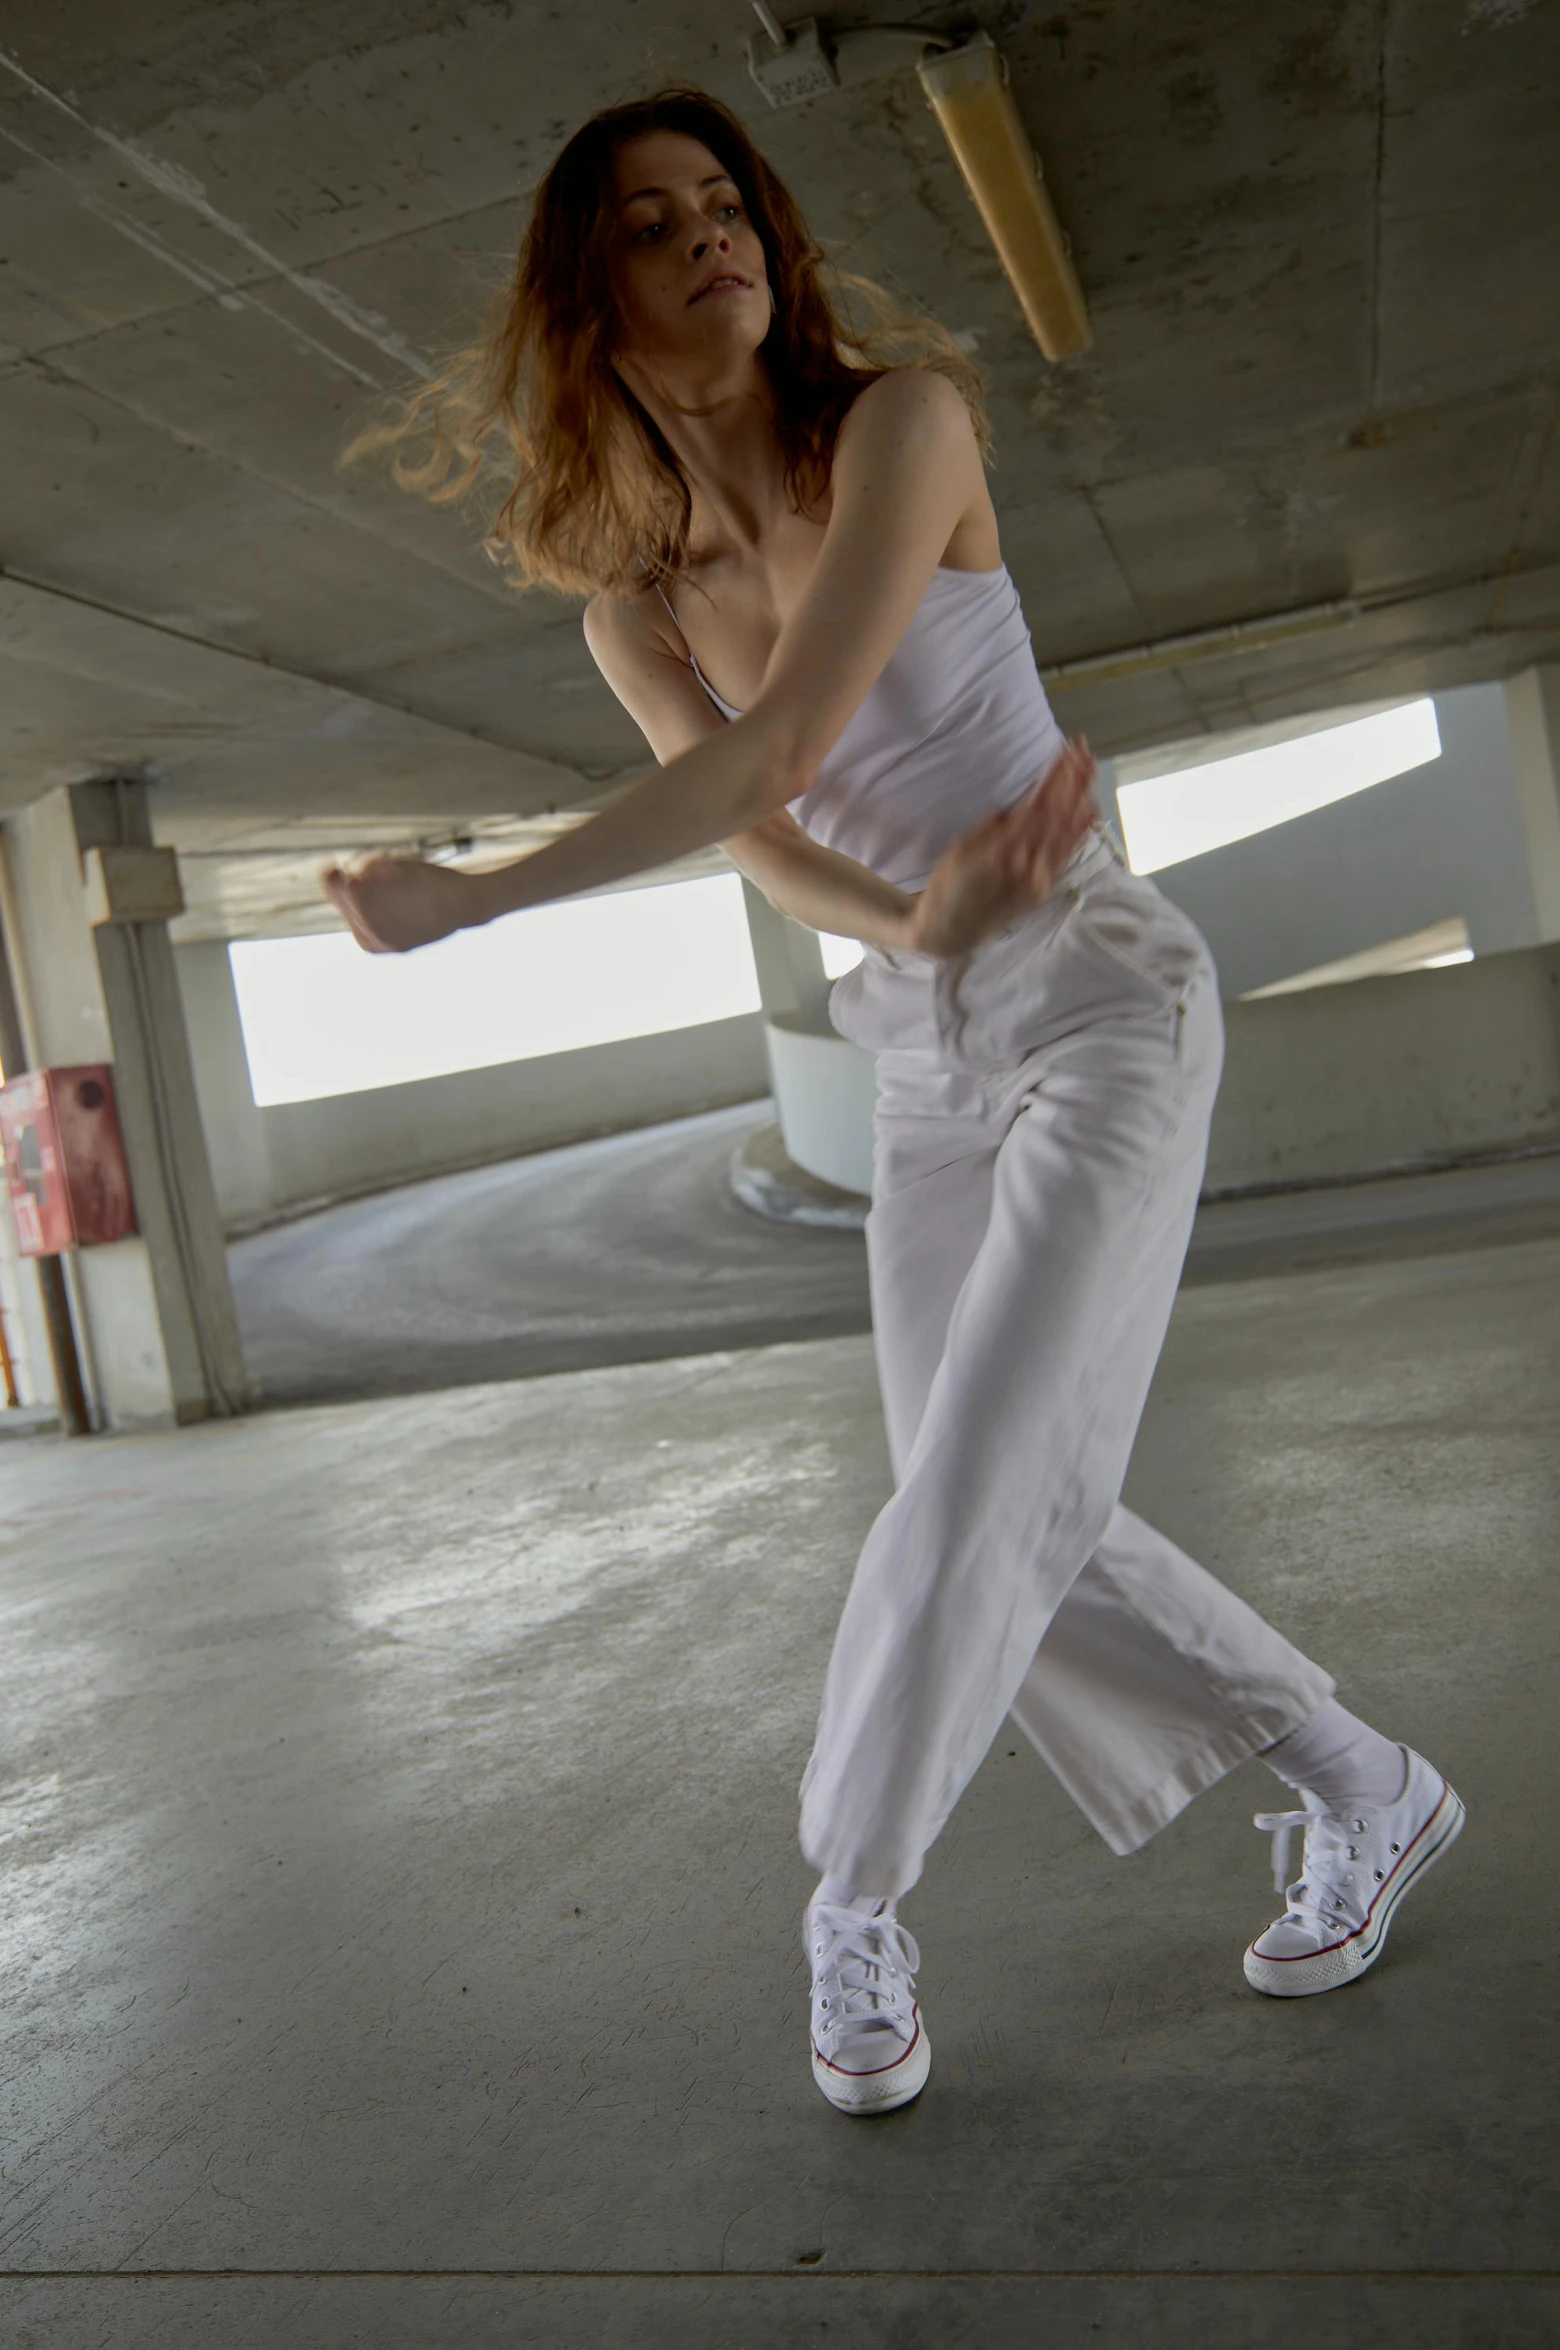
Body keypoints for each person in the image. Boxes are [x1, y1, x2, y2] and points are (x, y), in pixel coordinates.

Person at [325, 88, 1465, 2117]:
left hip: (1100, 988)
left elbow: (768, 755)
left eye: (727, 204)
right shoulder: (634, 605)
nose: (714, 239)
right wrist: (916, 919)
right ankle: (1362, 1781)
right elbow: (779, 848)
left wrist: (479, 900)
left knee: (966, 1498)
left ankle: (853, 1895)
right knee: (1022, 1500)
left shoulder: (906, 429)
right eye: (657, 223)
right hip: (925, 1041)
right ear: (591, 296)